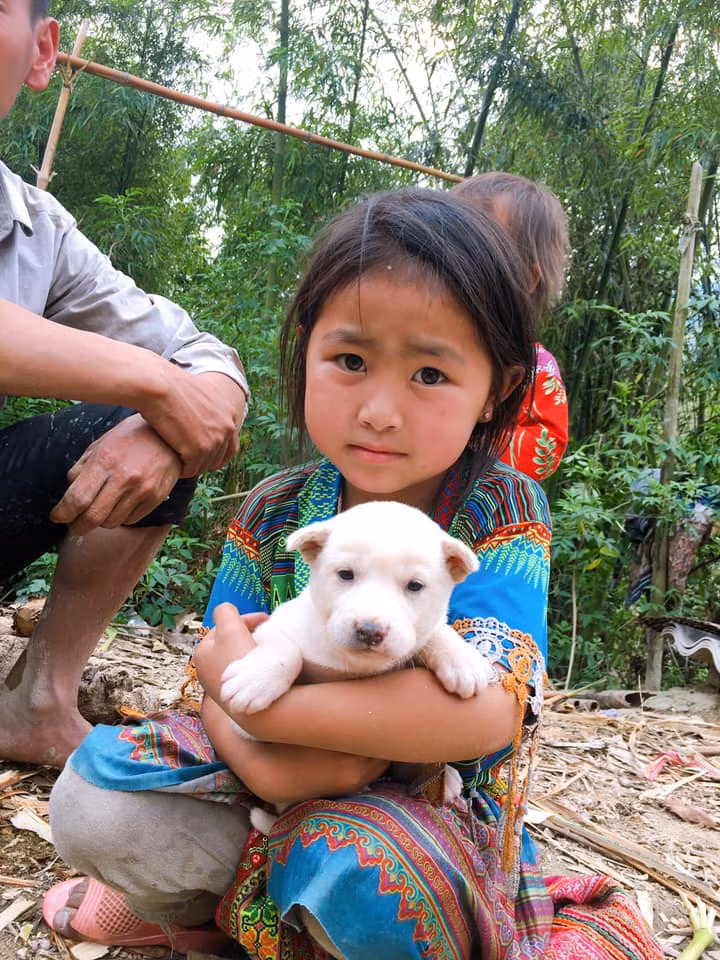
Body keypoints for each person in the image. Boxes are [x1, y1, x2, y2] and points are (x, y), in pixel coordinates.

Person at [43, 188, 662, 960]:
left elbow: (483, 712)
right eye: (351, 360)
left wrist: (284, 722)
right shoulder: (276, 513)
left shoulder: (500, 513)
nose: (379, 410)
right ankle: (202, 916)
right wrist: (268, 759)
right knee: (94, 798)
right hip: (258, 781)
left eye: (430, 374)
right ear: (307, 352)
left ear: (497, 392)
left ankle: (312, 927)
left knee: (364, 868)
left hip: (419, 814)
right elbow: (216, 673)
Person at [0, 0, 248, 767]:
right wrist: (157, 387)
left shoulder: (36, 227)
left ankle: (37, 705)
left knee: (150, 428)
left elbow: (205, 356)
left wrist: (166, 410)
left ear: (43, 52)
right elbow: (164, 373)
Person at [452, 171, 570, 482]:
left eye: (477, 246)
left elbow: (546, 444)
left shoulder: (534, 367)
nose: (453, 258)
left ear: (526, 278)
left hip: (477, 506)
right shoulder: (410, 336)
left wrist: (457, 445)